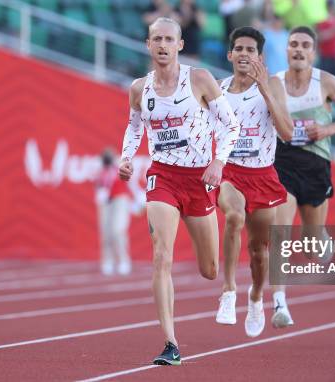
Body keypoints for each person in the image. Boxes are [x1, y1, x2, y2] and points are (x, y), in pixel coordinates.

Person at [118, 17, 240, 365]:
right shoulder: (140, 88)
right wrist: (127, 158)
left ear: (180, 45)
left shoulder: (198, 79)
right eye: (156, 39)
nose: (162, 45)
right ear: (148, 44)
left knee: (210, 269)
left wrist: (218, 162)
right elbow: (133, 127)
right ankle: (170, 342)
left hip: (199, 179)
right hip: (163, 177)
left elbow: (231, 125)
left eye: (169, 39)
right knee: (161, 256)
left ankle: (226, 288)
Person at [271, 26, 335, 327]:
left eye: (305, 45)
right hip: (282, 161)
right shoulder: (274, 83)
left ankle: (320, 236)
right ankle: (279, 302)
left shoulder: (327, 82)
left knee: (311, 246)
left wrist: (325, 130)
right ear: (287, 50)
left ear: (313, 52)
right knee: (280, 230)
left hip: (316, 164)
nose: (298, 49)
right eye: (293, 44)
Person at [214, 27, 293, 337]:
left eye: (251, 50)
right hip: (230, 173)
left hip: (262, 175)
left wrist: (265, 91)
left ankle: (257, 297)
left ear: (260, 57)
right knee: (233, 216)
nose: (244, 54)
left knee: (259, 253)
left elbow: (287, 133)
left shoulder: (272, 85)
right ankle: (229, 291)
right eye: (239, 49)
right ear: (230, 55)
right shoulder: (217, 90)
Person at [94, 148, 132, 276]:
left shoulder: (119, 169)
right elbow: (98, 186)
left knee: (118, 230)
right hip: (106, 202)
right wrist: (99, 194)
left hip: (120, 200)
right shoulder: (101, 172)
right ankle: (107, 261)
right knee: (106, 232)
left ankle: (123, 260)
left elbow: (129, 184)